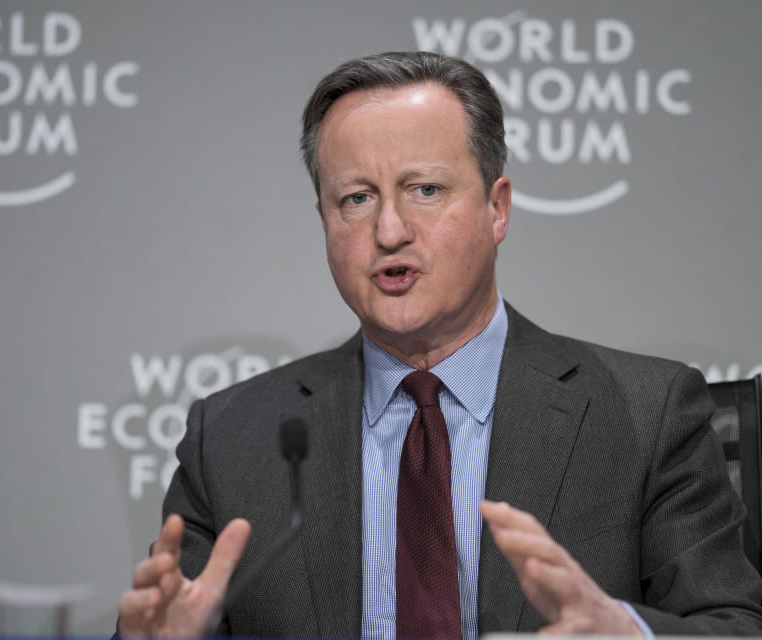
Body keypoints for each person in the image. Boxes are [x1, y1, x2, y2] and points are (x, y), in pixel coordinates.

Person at [115, 52, 762, 639]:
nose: (389, 230)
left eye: (425, 190)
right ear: (324, 221)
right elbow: (169, 620)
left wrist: (626, 636)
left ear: (496, 207)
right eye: (356, 199)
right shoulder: (232, 438)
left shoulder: (646, 414)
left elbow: (735, 626)